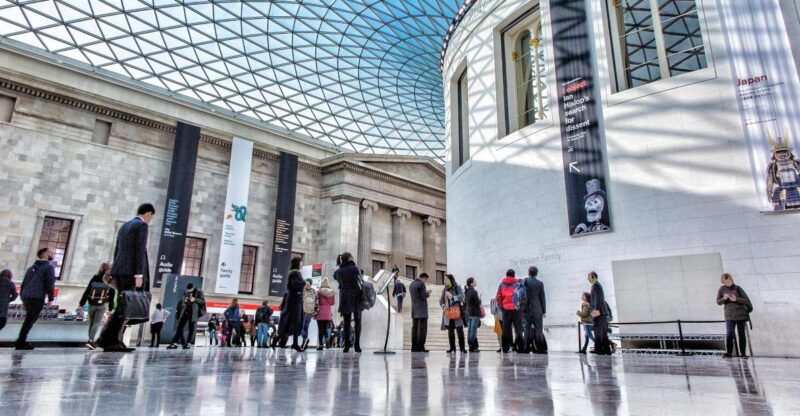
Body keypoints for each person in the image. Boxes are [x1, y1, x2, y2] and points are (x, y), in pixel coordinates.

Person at [98, 203, 154, 352]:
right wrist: (139, 274)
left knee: (123, 306)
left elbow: (117, 249)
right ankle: (109, 340)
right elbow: (140, 250)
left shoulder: (125, 226)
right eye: (151, 217)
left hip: (120, 270)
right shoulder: (141, 226)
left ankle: (111, 339)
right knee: (125, 308)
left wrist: (115, 269)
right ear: (149, 213)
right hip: (131, 272)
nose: (150, 220)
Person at [15, 247, 56, 350]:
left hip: (27, 296)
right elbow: (50, 283)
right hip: (36, 297)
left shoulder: (31, 268)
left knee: (28, 319)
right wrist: (51, 298)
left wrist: (22, 297)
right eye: (51, 252)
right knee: (30, 320)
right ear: (45, 253)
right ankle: (21, 341)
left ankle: (21, 340)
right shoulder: (49, 267)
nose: (52, 253)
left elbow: (24, 283)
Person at [79, 262, 115, 350]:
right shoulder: (110, 279)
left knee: (92, 323)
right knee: (96, 323)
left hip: (91, 303)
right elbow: (112, 294)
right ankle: (91, 341)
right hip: (102, 304)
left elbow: (87, 290)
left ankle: (90, 340)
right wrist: (110, 307)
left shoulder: (95, 277)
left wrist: (81, 303)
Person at [717, 273, 752, 358]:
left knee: (741, 334)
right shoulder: (722, 289)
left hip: (741, 315)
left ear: (731, 279)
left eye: (729, 280)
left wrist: (736, 299)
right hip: (729, 315)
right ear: (723, 282)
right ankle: (729, 352)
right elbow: (718, 302)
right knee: (729, 333)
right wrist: (724, 298)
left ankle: (743, 353)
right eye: (725, 281)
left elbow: (746, 300)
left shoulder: (738, 288)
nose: (728, 282)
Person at [334, 252, 363, 353]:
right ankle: (357, 345)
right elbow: (360, 277)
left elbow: (336, 277)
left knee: (346, 323)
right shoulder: (355, 268)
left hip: (345, 297)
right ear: (350, 258)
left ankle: (346, 346)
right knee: (358, 321)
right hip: (356, 296)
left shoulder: (339, 271)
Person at [276, 257, 306, 351]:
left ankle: (294, 343)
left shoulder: (295, 272)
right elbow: (294, 284)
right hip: (295, 301)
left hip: (296, 300)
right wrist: (304, 282)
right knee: (295, 322)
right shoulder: (294, 273)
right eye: (301, 262)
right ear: (297, 263)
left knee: (294, 322)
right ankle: (294, 343)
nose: (302, 264)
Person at [167, 283, 206, 349]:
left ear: (193, 288)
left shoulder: (199, 292)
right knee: (179, 327)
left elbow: (203, 301)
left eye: (190, 289)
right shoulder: (186, 291)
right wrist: (184, 301)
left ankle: (188, 344)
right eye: (188, 290)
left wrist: (195, 299)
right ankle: (174, 343)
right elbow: (183, 301)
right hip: (185, 311)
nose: (189, 291)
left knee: (191, 329)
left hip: (193, 313)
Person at [496, 269, 523, 353]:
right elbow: (521, 296)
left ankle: (505, 348)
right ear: (514, 275)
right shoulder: (518, 284)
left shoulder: (502, 284)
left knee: (506, 330)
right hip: (516, 309)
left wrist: (502, 307)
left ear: (506, 275)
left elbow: (498, 297)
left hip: (506, 310)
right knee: (518, 329)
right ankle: (520, 347)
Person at [522, 266, 547, 354]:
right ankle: (540, 348)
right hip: (537, 309)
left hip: (526, 309)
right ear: (536, 273)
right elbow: (542, 298)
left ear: (528, 272)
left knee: (527, 329)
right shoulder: (540, 283)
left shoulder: (523, 281)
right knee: (538, 329)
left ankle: (526, 348)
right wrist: (544, 311)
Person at [440, 274, 466, 353]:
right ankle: (452, 348)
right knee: (450, 332)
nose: (445, 281)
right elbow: (441, 300)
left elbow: (462, 296)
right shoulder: (445, 289)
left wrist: (452, 297)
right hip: (448, 313)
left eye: (446, 279)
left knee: (459, 331)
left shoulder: (457, 287)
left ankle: (462, 348)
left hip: (456, 312)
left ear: (451, 280)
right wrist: (443, 306)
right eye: (444, 279)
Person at [588, 271, 612, 355]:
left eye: (589, 277)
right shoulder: (597, 285)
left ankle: (599, 350)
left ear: (593, 277)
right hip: (601, 312)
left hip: (599, 313)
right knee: (603, 333)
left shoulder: (595, 286)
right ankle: (606, 350)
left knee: (598, 333)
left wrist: (595, 311)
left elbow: (596, 299)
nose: (588, 279)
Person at [409, 272, 431, 352]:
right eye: (426, 280)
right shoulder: (421, 284)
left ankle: (414, 347)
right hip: (422, 310)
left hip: (415, 310)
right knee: (422, 329)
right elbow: (423, 296)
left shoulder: (412, 284)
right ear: (424, 278)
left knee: (414, 328)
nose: (425, 281)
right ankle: (421, 347)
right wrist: (428, 293)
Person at [316, 277, 335, 350]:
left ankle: (320, 345)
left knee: (320, 329)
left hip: (320, 312)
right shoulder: (331, 292)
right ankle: (327, 340)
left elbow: (316, 301)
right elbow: (333, 303)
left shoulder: (319, 292)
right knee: (326, 328)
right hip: (327, 313)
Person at [464, 277, 481, 352]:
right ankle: (474, 347)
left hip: (469, 313)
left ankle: (471, 347)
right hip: (475, 314)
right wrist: (479, 299)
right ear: (471, 283)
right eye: (474, 281)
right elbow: (478, 303)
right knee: (473, 332)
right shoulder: (474, 292)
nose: (476, 282)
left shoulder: (467, 291)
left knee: (470, 330)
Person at [0, 269, 18, 334]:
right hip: (2, 311)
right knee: (2, 323)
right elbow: (15, 295)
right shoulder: (10, 283)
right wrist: (7, 300)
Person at [301, 278, 317, 349]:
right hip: (310, 312)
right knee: (306, 327)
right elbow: (316, 301)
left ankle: (305, 338)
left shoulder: (303, 290)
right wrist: (315, 312)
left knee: (300, 327)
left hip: (304, 312)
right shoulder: (314, 291)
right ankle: (304, 343)